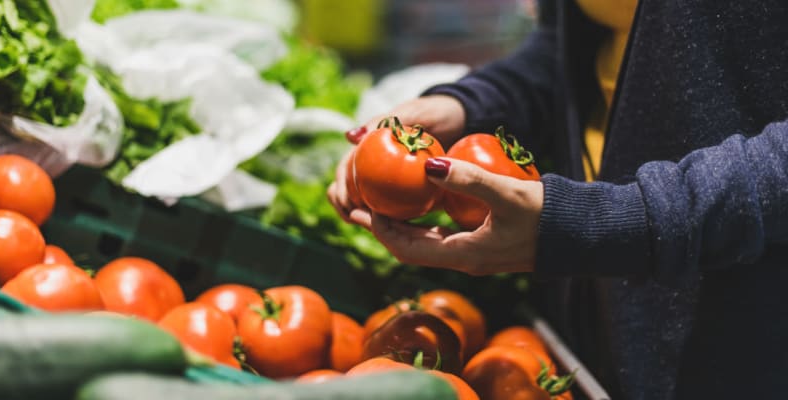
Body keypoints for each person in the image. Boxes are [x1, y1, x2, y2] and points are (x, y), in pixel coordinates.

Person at [328, 0, 788, 399]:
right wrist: (472, 103)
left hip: (735, 346)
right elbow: (570, 46)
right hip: (585, 318)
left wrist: (614, 222)